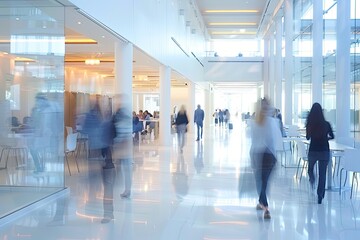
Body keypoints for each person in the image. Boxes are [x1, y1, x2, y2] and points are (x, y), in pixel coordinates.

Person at [249, 97, 282, 219]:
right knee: (263, 182)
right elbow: (277, 139)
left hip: (261, 155)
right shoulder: (271, 122)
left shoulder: (256, 122)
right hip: (267, 156)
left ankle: (265, 207)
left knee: (261, 182)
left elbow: (254, 141)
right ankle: (262, 203)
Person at [306, 102, 334, 204]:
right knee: (322, 174)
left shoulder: (310, 124)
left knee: (310, 169)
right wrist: (326, 138)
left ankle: (312, 179)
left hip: (313, 150)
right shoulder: (326, 124)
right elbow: (332, 136)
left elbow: (307, 137)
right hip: (324, 151)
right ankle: (320, 195)